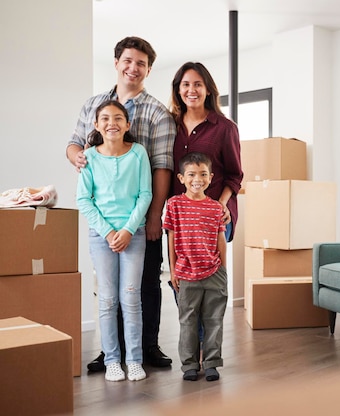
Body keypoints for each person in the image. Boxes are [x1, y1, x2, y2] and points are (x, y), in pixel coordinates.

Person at [67, 36, 176, 372]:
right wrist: (79, 158)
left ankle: (146, 348)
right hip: (104, 221)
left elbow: (162, 167)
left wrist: (153, 215)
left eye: (141, 63)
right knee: (111, 291)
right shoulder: (93, 105)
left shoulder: (157, 112)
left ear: (148, 70)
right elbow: (73, 145)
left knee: (144, 284)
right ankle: (110, 353)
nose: (133, 68)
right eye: (128, 60)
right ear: (117, 62)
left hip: (140, 218)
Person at [76, 100, 152, 381]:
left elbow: (145, 194)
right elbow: (83, 200)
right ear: (96, 125)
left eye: (119, 118)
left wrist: (129, 230)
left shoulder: (138, 154)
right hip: (101, 237)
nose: (112, 123)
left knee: (131, 298)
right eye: (105, 118)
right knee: (107, 300)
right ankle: (112, 361)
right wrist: (109, 232)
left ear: (128, 124)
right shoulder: (89, 158)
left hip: (134, 234)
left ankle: (134, 359)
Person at [163, 152, 228, 382]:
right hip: (185, 273)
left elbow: (221, 241)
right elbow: (170, 239)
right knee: (188, 321)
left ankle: (211, 363)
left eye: (202, 174)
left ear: (211, 177)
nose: (196, 179)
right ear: (181, 178)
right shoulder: (174, 205)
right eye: (191, 174)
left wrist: (223, 271)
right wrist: (172, 270)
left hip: (214, 273)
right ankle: (189, 364)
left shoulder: (216, 208)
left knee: (214, 320)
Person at [169, 61, 242, 241]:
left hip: (215, 212)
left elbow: (234, 176)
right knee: (181, 269)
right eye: (185, 84)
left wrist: (220, 205)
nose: (191, 90)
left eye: (198, 84)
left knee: (213, 269)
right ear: (178, 90)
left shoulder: (225, 128)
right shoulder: (169, 125)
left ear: (208, 89)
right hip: (181, 216)